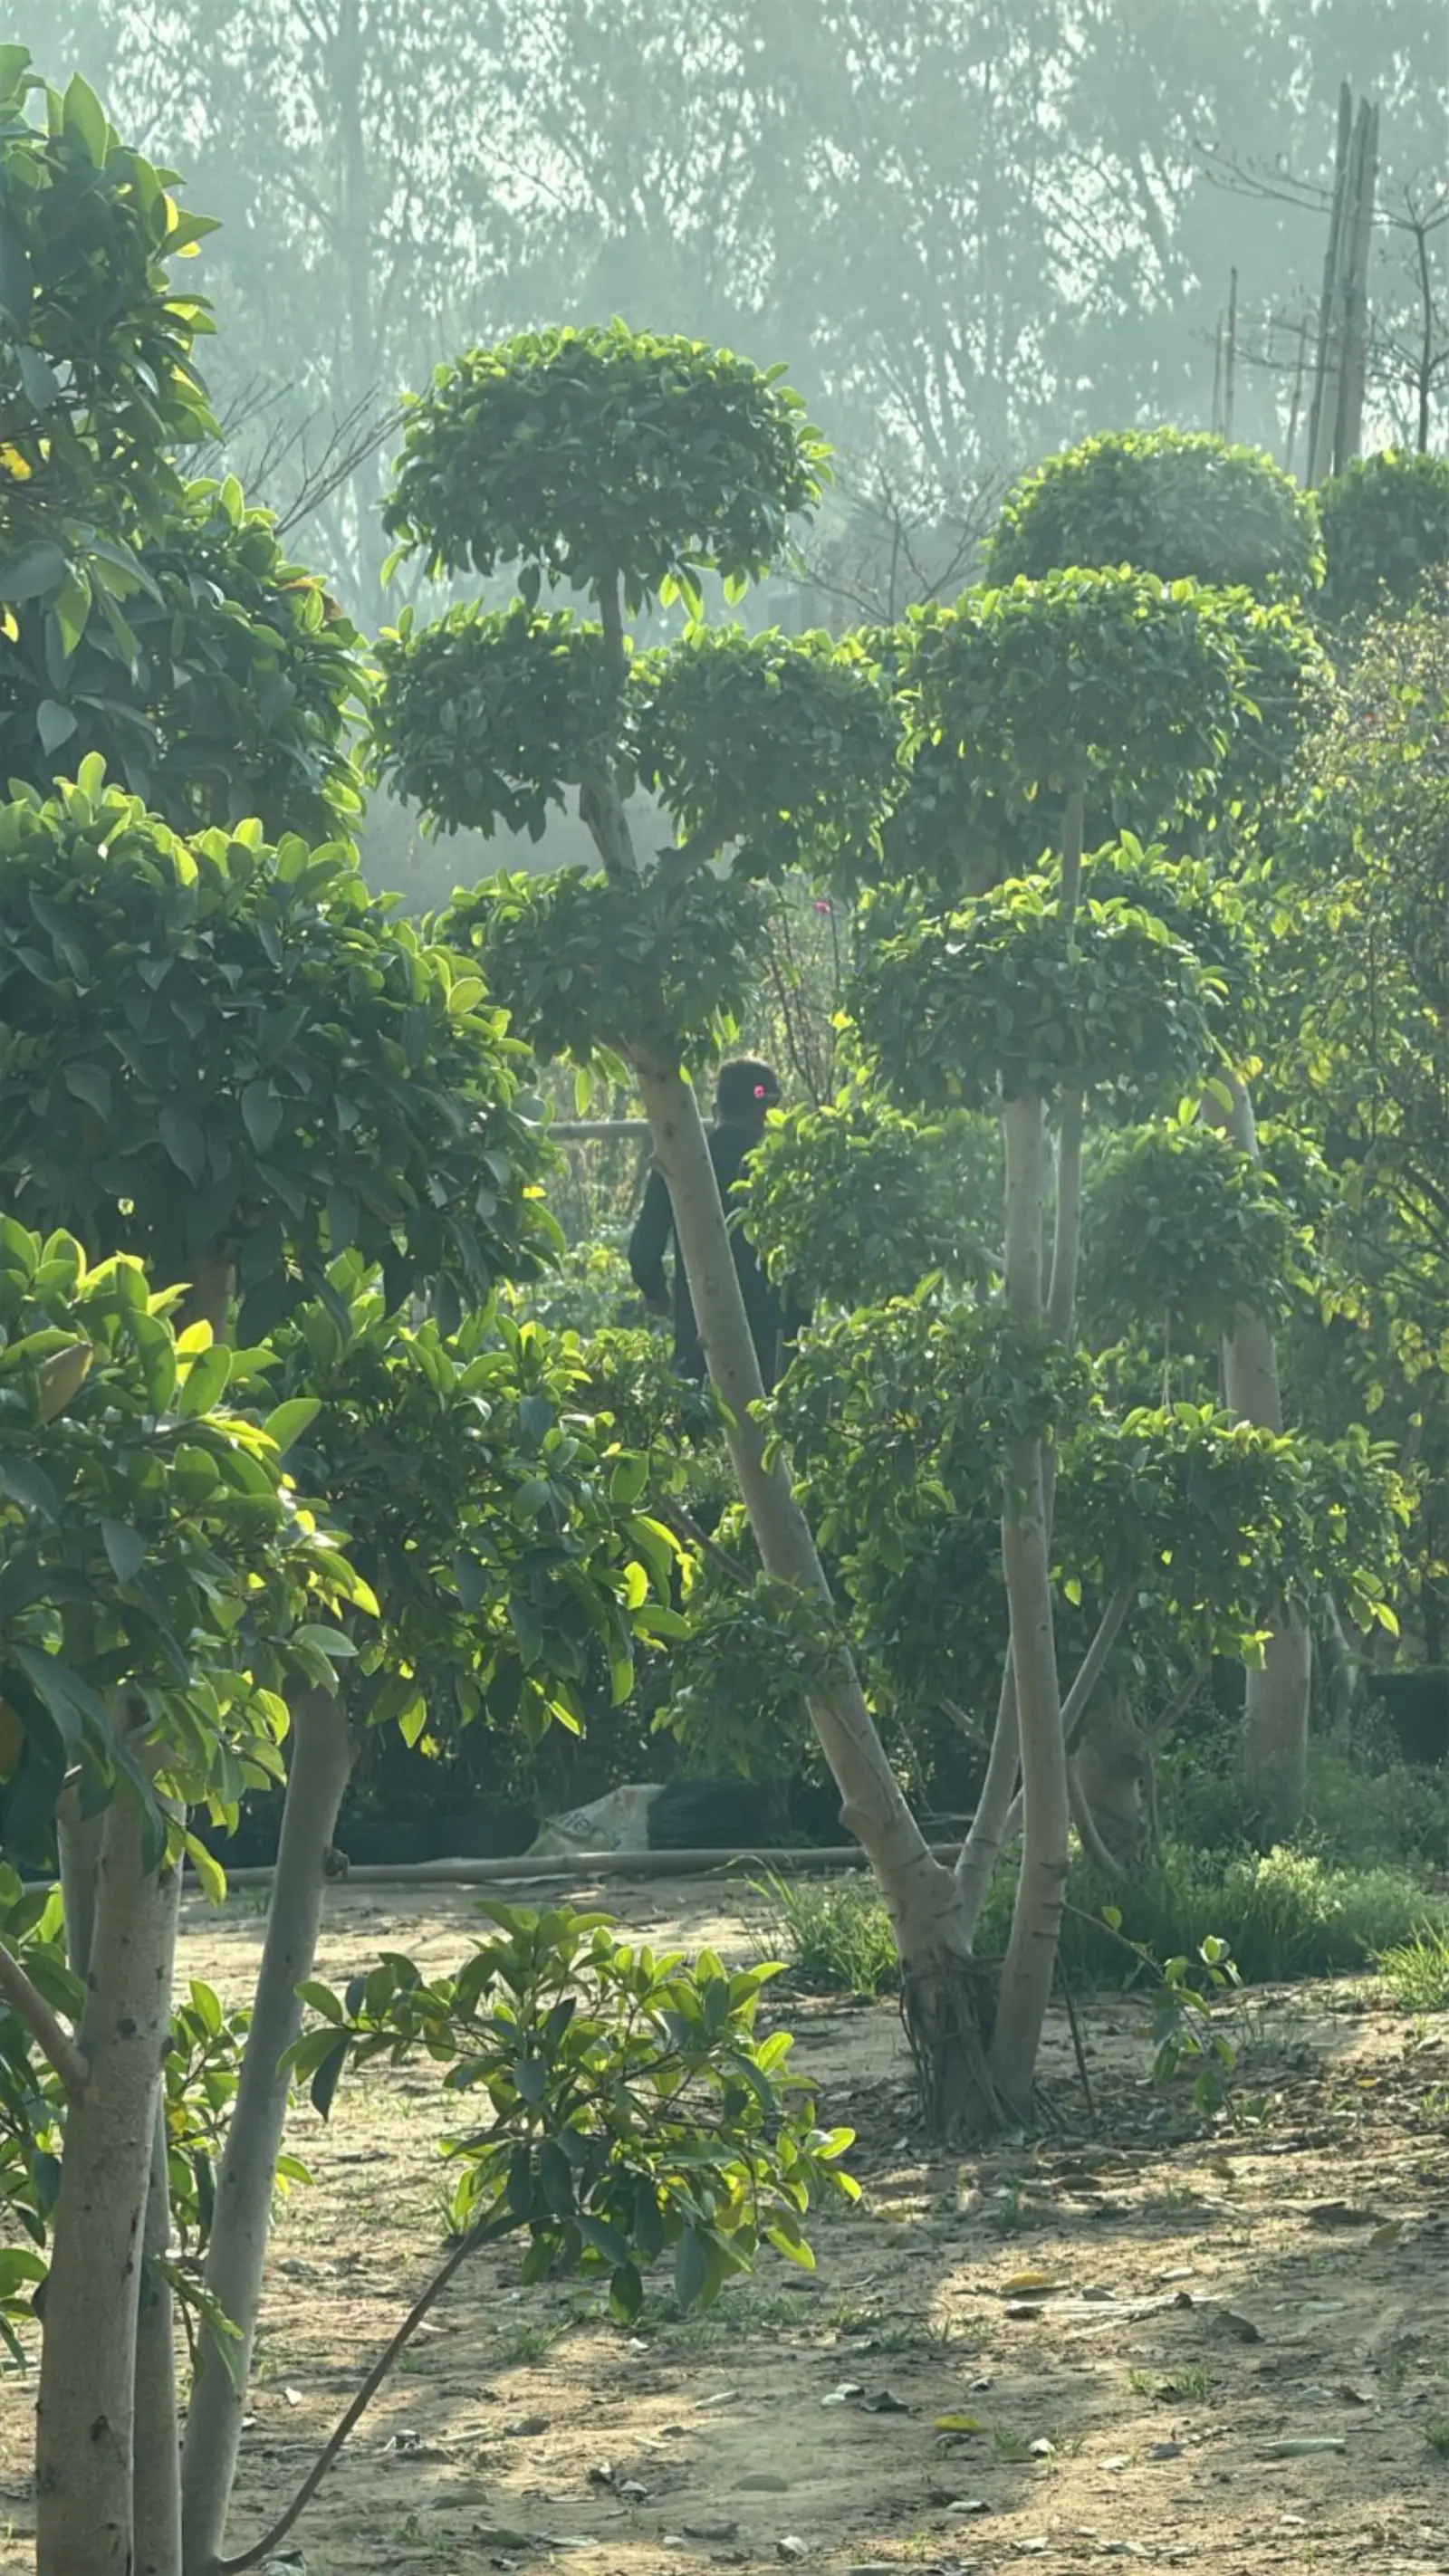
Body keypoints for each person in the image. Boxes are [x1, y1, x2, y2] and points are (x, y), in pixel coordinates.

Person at [628, 1058, 809, 1393]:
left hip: (698, 1329)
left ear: (715, 1108)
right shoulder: (784, 1168)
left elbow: (642, 1252)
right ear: (766, 1112)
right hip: (770, 1338)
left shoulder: (680, 1159)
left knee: (702, 1429)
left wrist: (658, 1297)